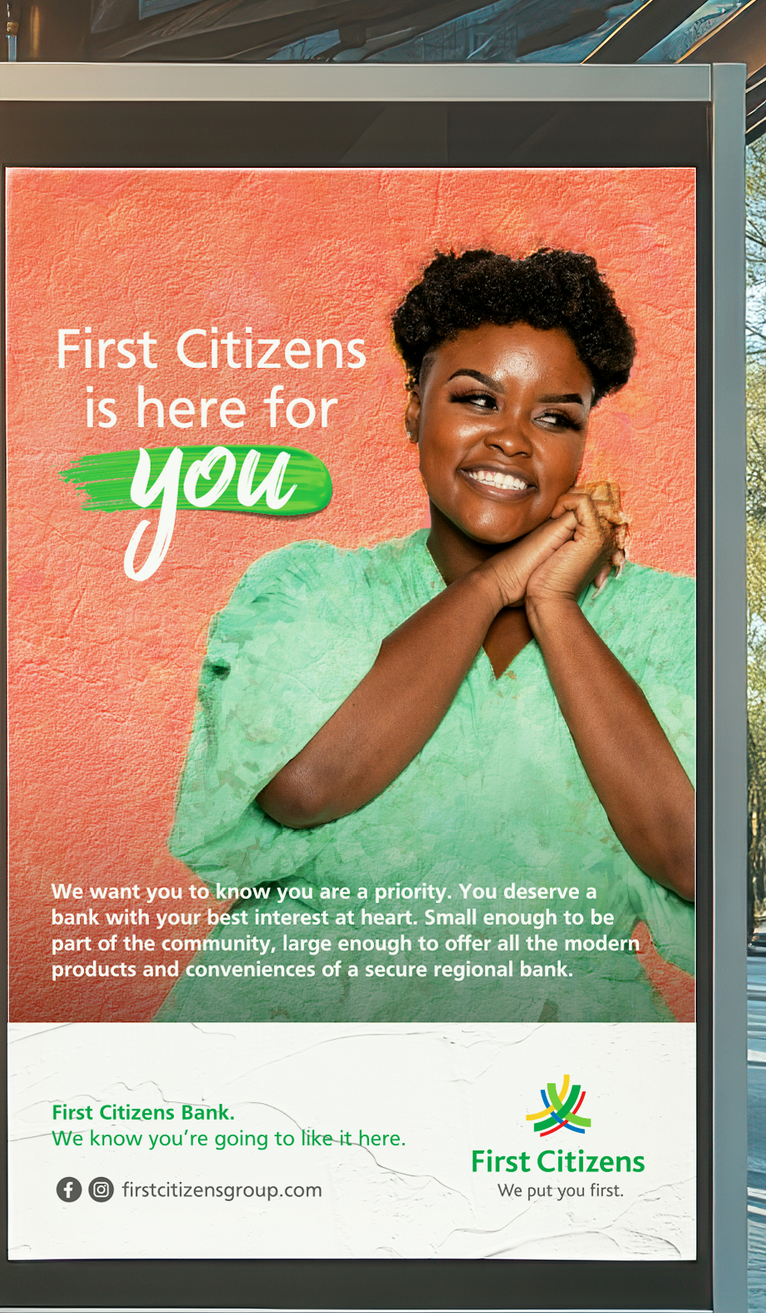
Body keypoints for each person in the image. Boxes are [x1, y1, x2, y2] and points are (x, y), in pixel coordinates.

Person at [158, 246, 694, 1024]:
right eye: (478, 400)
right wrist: (491, 586)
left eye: (555, 417)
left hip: (548, 1096)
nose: (514, 438)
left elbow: (692, 862)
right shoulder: (312, 590)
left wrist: (556, 607)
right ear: (416, 408)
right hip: (289, 1061)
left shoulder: (670, 624)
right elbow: (302, 790)